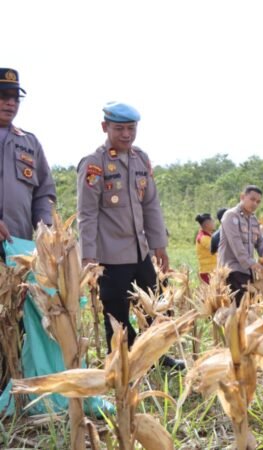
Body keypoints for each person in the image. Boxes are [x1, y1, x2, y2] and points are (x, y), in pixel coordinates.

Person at [77, 101, 184, 370]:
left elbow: (151, 205)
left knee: (157, 306)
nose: (126, 134)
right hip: (111, 257)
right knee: (117, 314)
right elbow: (87, 213)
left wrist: (159, 245)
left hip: (141, 253)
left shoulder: (141, 160)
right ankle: (122, 362)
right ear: (105, 127)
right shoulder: (94, 164)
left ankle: (159, 357)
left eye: (131, 128)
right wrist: (88, 257)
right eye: (119, 128)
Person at [0, 68, 56, 258]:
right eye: (4, 96)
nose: (11, 103)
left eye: (16, 98)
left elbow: (43, 193)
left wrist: (46, 229)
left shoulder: (29, 143)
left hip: (17, 248)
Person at [217, 185, 263, 305]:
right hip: (232, 271)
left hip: (247, 272)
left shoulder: (254, 220)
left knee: (250, 309)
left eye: (258, 201)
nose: (255, 204)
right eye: (252, 199)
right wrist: (253, 264)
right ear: (242, 197)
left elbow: (261, 242)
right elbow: (237, 245)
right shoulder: (230, 216)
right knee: (239, 311)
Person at [195, 213, 216, 284]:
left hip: (212, 271)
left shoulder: (208, 236)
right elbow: (215, 247)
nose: (214, 223)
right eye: (212, 221)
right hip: (207, 272)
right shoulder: (203, 237)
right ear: (207, 224)